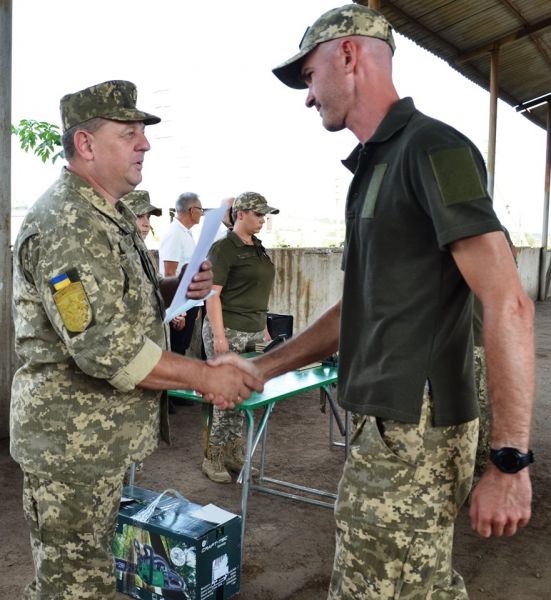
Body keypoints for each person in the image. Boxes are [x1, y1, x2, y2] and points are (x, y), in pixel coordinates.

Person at [212, 5, 535, 598]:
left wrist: (510, 461)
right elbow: (357, 308)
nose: (308, 97)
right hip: (383, 429)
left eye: (309, 76)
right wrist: (261, 367)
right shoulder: (376, 164)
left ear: (349, 56)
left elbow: (509, 301)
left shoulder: (432, 150)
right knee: (419, 585)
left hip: (415, 430)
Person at [10, 79, 262, 600]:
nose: (144, 144)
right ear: (85, 144)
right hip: (70, 447)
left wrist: (173, 286)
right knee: (73, 587)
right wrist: (207, 375)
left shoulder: (110, 214)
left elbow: (117, 299)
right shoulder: (66, 221)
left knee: (95, 574)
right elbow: (106, 347)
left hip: (100, 440)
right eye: (129, 134)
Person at [202, 191, 279, 483]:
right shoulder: (224, 248)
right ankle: (214, 458)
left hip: (255, 330)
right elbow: (212, 295)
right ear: (241, 213)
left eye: (264, 215)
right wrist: (219, 337)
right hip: (228, 329)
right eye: (258, 214)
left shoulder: (257, 247)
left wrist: (266, 329)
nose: (262, 219)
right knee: (225, 394)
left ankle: (235, 453)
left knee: (246, 391)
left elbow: (259, 293)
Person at [158, 192, 203, 357]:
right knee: (176, 352)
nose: (202, 213)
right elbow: (170, 273)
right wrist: (177, 312)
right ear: (192, 211)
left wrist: (196, 305)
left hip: (188, 303)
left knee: (182, 348)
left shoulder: (186, 232)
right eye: (200, 209)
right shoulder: (175, 234)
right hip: (179, 307)